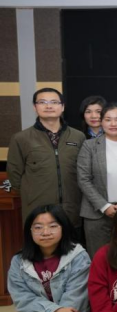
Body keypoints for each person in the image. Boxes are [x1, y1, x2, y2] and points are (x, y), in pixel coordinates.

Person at [8, 88, 86, 231]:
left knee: (72, 244)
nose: (49, 106)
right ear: (35, 107)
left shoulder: (78, 136)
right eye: (43, 102)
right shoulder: (21, 138)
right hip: (37, 209)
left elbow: (84, 171)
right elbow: (15, 175)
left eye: (54, 102)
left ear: (62, 107)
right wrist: (31, 195)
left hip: (72, 208)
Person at [77, 103, 117, 257]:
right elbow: (83, 179)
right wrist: (104, 206)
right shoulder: (89, 146)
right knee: (98, 257)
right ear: (101, 122)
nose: (113, 124)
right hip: (95, 213)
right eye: (108, 119)